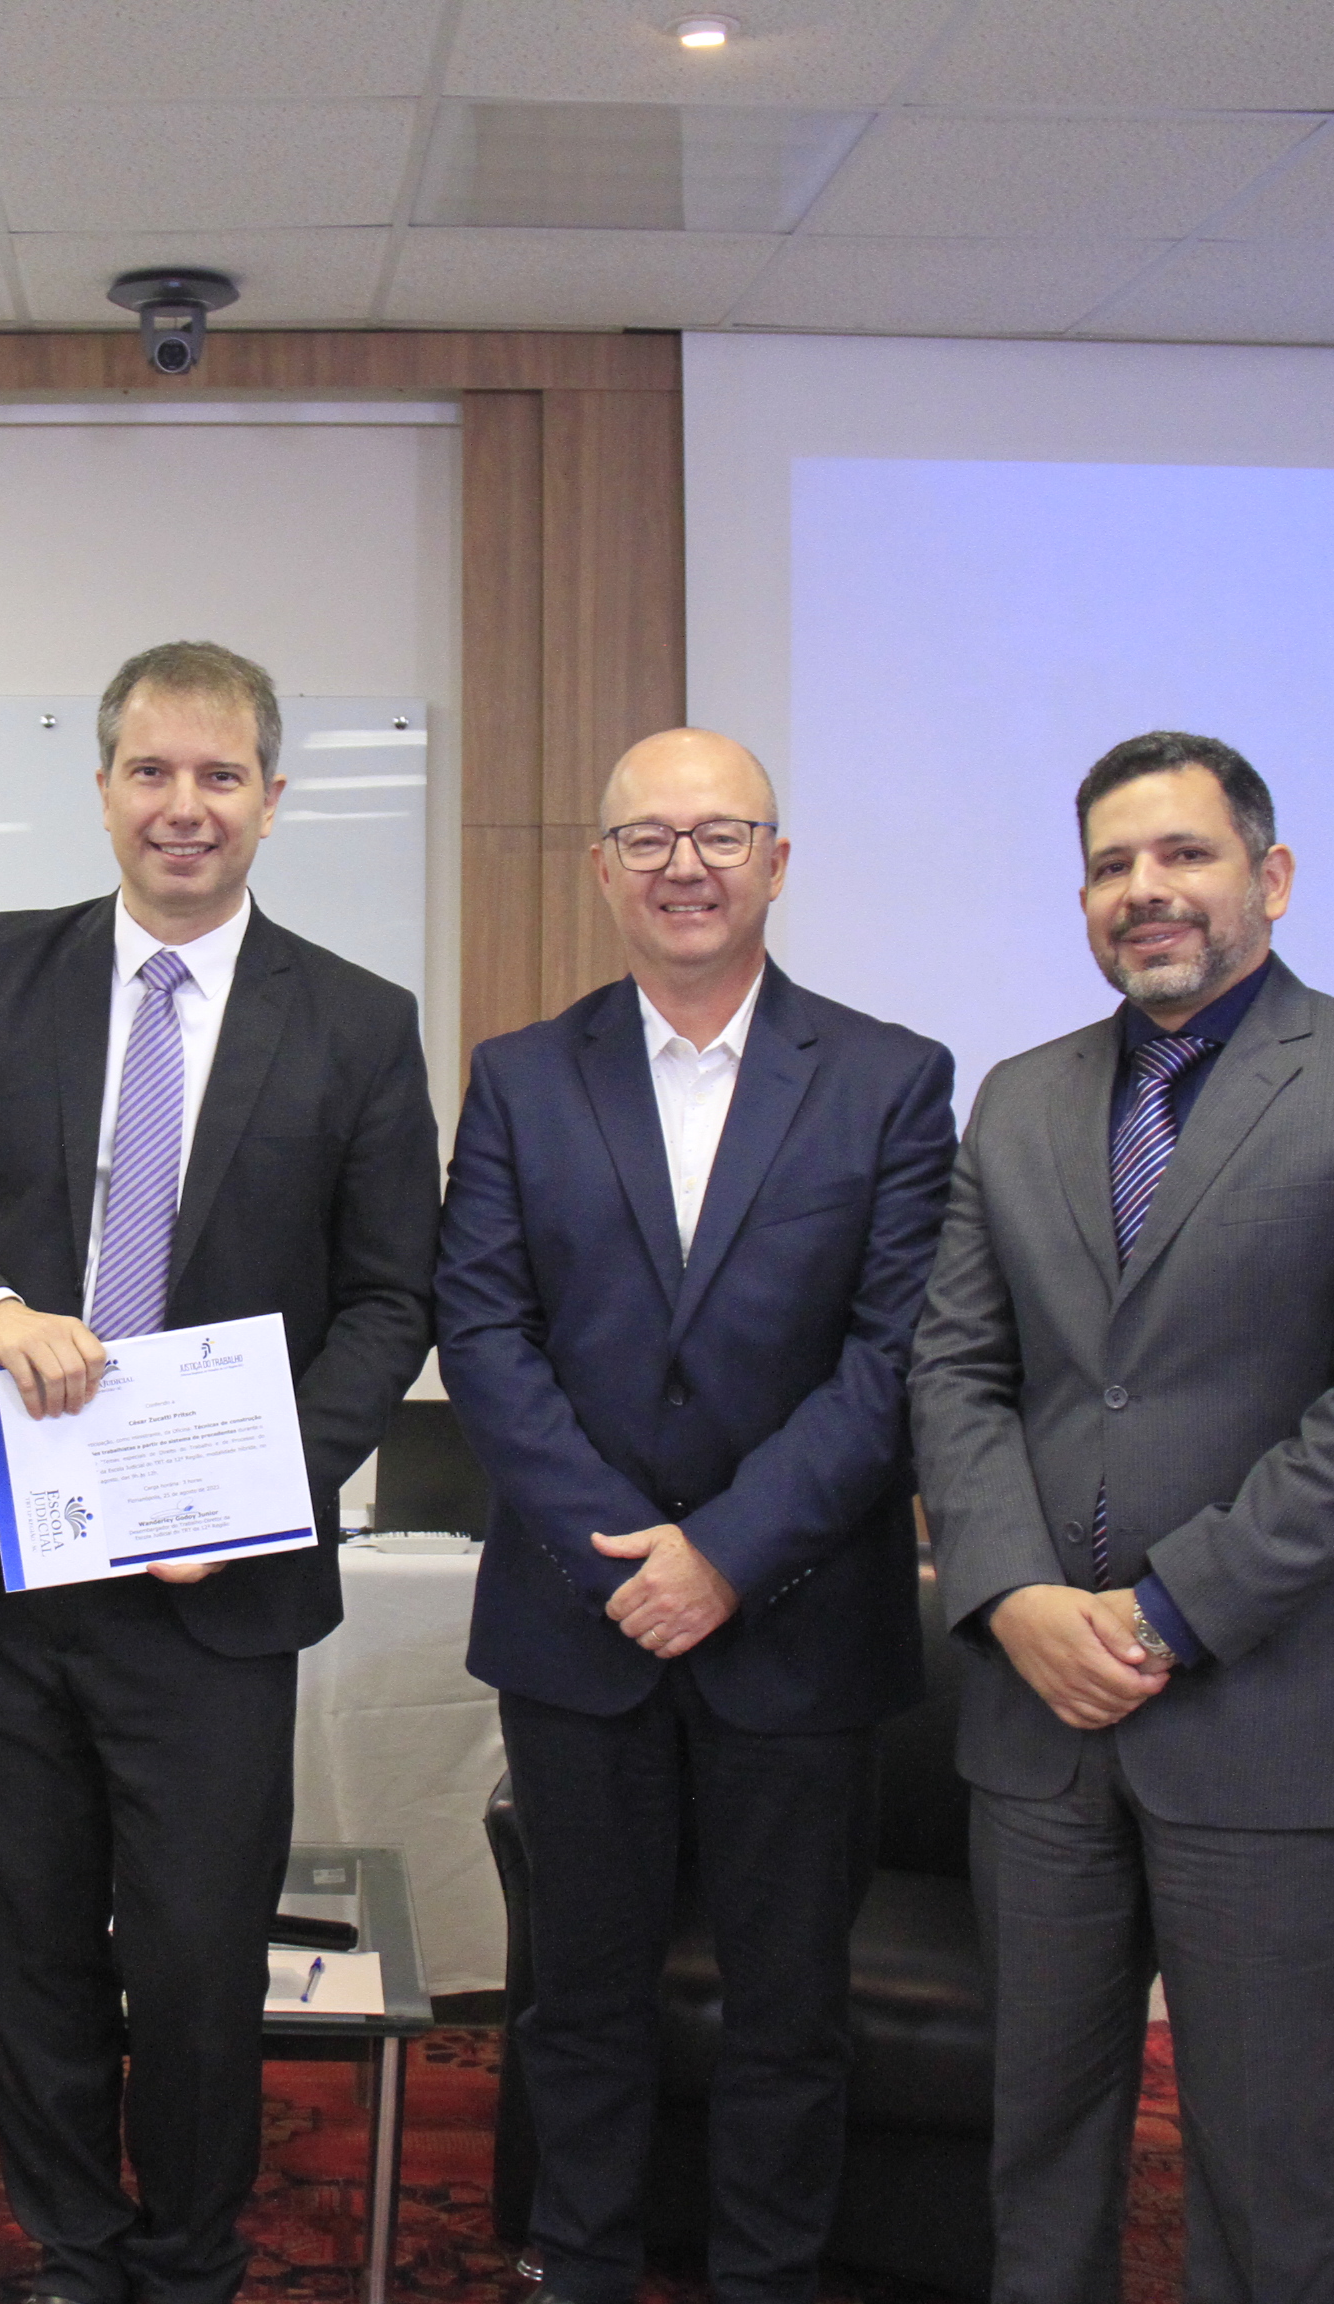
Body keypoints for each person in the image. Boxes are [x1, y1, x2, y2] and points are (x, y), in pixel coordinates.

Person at [0, 639, 438, 2304]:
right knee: (26, 1948)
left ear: (271, 798)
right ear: (102, 786)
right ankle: (72, 2251)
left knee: (190, 1958)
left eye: (221, 775)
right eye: (153, 772)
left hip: (214, 1590)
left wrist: (263, 1484)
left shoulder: (359, 1024)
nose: (185, 807)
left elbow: (396, 1298)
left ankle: (188, 2256)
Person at [910, 732, 1334, 2304]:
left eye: (1183, 855)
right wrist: (1018, 1596)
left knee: (1261, 2153)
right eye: (1112, 865)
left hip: (1265, 1710)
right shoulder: (1022, 1099)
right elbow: (955, 1371)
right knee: (1040, 2132)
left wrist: (1164, 1615)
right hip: (1035, 1719)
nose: (1145, 891)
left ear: (1272, 877)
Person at [440, 728, 956, 2304]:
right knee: (580, 2000)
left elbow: (897, 1358)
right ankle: (583, 2265)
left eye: (720, 834)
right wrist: (628, 1558)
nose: (685, 864)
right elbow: (484, 1331)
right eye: (648, 838)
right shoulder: (524, 1078)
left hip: (795, 1623)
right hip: (577, 1619)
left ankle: (769, 2275)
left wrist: (725, 1554)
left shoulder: (890, 1078)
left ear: (777, 863)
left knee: (790, 2009)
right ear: (601, 869)